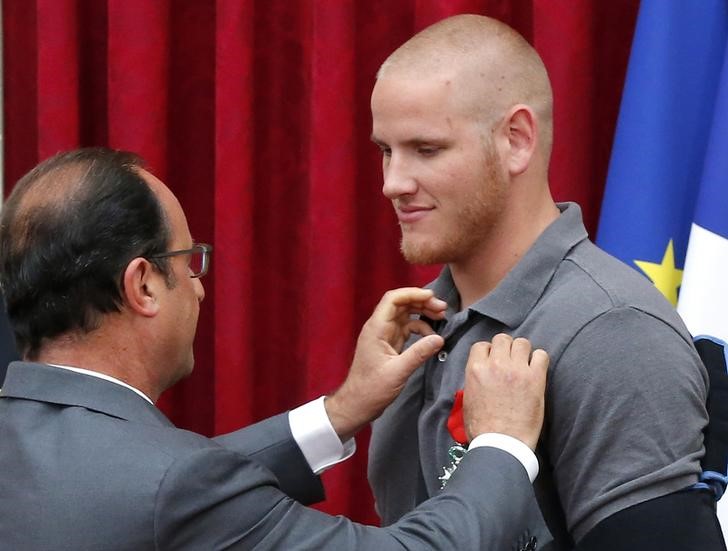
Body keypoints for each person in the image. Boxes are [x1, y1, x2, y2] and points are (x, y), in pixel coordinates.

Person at [0, 147, 549, 550]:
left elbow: (149, 487)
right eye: (188, 260)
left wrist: (340, 412)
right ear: (143, 285)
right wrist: (501, 442)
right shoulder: (175, 486)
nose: (198, 285)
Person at [367, 13, 725, 550]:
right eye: (385, 152)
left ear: (516, 140)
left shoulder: (613, 332)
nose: (394, 183)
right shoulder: (419, 323)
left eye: (427, 149)